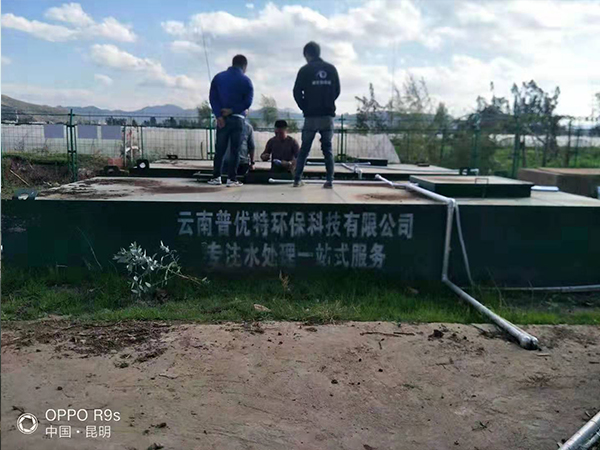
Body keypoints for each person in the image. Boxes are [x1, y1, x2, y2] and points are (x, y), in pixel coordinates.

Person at [292, 41, 340, 188]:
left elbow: (296, 91)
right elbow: (337, 90)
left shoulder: (305, 70)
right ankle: (329, 180)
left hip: (311, 116)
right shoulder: (331, 69)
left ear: (307, 54)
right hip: (327, 115)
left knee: (305, 149)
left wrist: (305, 107)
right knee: (327, 149)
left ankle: (297, 179)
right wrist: (328, 102)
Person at [208, 54, 254, 187]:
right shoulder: (246, 80)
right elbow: (248, 102)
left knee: (220, 149)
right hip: (238, 119)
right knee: (235, 149)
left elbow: (213, 98)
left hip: (222, 119)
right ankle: (231, 179)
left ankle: (216, 177)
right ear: (244, 66)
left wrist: (219, 115)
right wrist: (233, 110)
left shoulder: (218, 77)